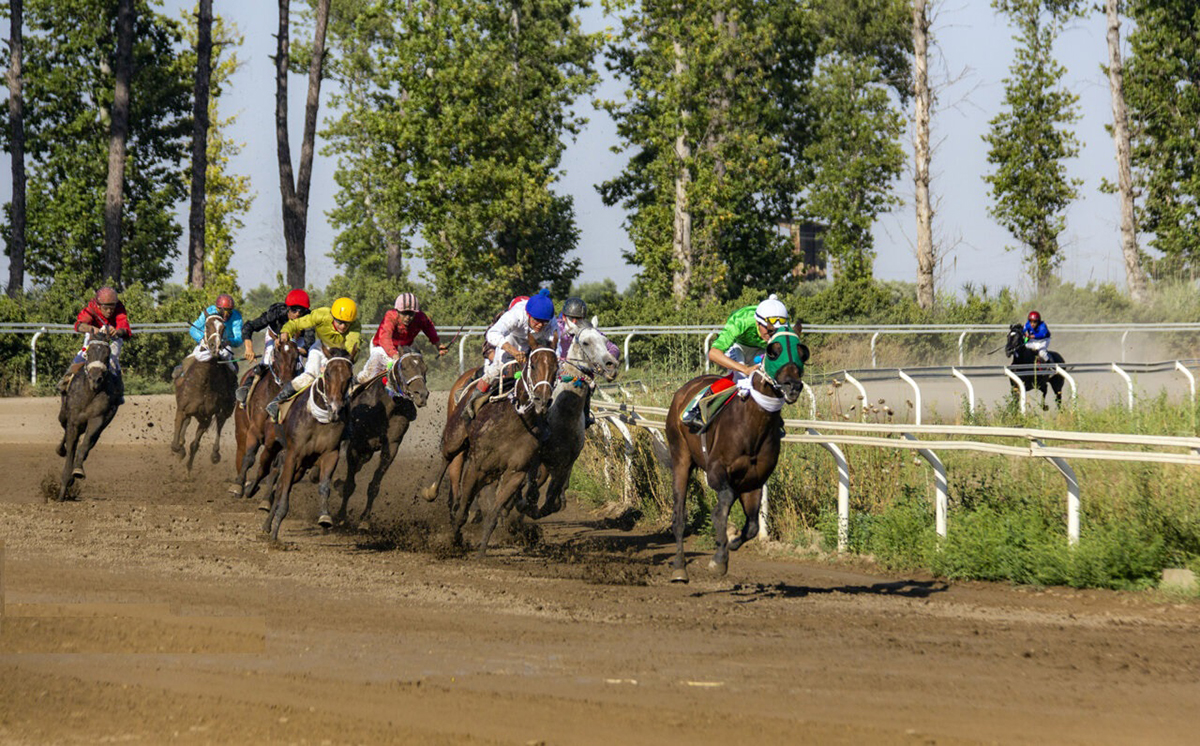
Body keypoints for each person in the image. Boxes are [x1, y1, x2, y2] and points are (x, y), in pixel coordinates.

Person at [681, 293, 793, 428]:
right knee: (740, 378)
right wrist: (745, 369)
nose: (772, 334)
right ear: (757, 322)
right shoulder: (742, 320)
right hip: (739, 347)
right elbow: (714, 353)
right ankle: (696, 408)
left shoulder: (783, 328)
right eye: (769, 330)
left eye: (777, 330)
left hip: (761, 350)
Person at [461, 289, 555, 421]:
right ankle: (471, 402)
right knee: (498, 367)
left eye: (544, 322)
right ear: (528, 314)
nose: (540, 325)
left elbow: (553, 346)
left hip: (533, 343)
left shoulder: (551, 322)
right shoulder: (516, 315)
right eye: (537, 321)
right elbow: (492, 334)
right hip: (510, 338)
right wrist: (513, 351)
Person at [265, 297, 363, 422]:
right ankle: (276, 401)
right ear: (333, 316)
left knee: (344, 384)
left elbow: (352, 346)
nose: (343, 326)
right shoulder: (321, 315)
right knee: (309, 376)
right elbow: (297, 323)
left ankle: (349, 423)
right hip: (320, 349)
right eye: (339, 322)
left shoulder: (355, 326)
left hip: (340, 355)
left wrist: (345, 360)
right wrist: (286, 331)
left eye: (347, 324)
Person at [234, 289, 315, 406]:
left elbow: (307, 347)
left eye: (301, 311)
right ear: (288, 308)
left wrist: (293, 349)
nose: (297, 314)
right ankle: (248, 387)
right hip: (273, 337)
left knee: (299, 365)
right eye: (294, 309)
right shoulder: (275, 313)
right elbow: (249, 326)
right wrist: (249, 348)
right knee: (267, 362)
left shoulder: (309, 319)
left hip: (296, 342)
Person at [356, 292, 449, 385]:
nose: (408, 317)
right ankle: (356, 381)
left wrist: (438, 345)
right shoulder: (390, 316)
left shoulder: (420, 317)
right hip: (381, 347)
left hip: (405, 348)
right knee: (369, 376)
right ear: (397, 311)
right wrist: (395, 355)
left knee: (416, 369)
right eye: (404, 313)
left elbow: (429, 329)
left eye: (411, 314)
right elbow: (385, 339)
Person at [58, 286, 132, 402]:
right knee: (83, 353)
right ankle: (67, 379)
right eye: (106, 308)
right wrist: (92, 328)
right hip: (95, 336)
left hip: (113, 338)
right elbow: (79, 325)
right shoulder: (91, 307)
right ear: (98, 305)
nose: (109, 311)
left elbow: (125, 329)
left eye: (112, 308)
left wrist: (116, 331)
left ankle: (118, 391)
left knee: (112, 360)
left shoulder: (119, 307)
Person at [555, 296, 620, 428]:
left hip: (582, 376)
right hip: (556, 371)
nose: (576, 322)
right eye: (572, 318)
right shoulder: (555, 327)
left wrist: (606, 360)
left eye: (579, 319)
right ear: (563, 317)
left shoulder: (589, 331)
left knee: (589, 384)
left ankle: (584, 416)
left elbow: (613, 348)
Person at [175, 293, 245, 380]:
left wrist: (229, 341)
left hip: (223, 345)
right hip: (206, 343)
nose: (226, 315)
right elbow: (193, 330)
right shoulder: (209, 311)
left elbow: (239, 338)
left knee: (227, 354)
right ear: (217, 308)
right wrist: (204, 339)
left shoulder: (236, 317)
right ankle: (183, 373)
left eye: (229, 311)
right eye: (223, 311)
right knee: (196, 355)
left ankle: (233, 379)